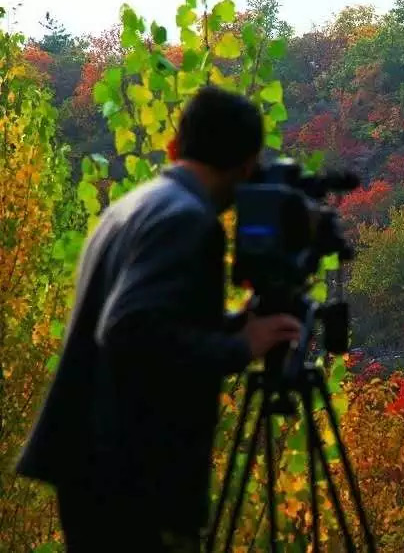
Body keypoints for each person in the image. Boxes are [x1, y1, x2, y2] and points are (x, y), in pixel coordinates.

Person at [15, 85, 303, 552]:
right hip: (134, 478)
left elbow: (143, 319)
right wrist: (240, 347)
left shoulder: (132, 207)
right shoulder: (187, 219)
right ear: (247, 164)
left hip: (92, 468)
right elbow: (130, 330)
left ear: (177, 145)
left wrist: (234, 324)